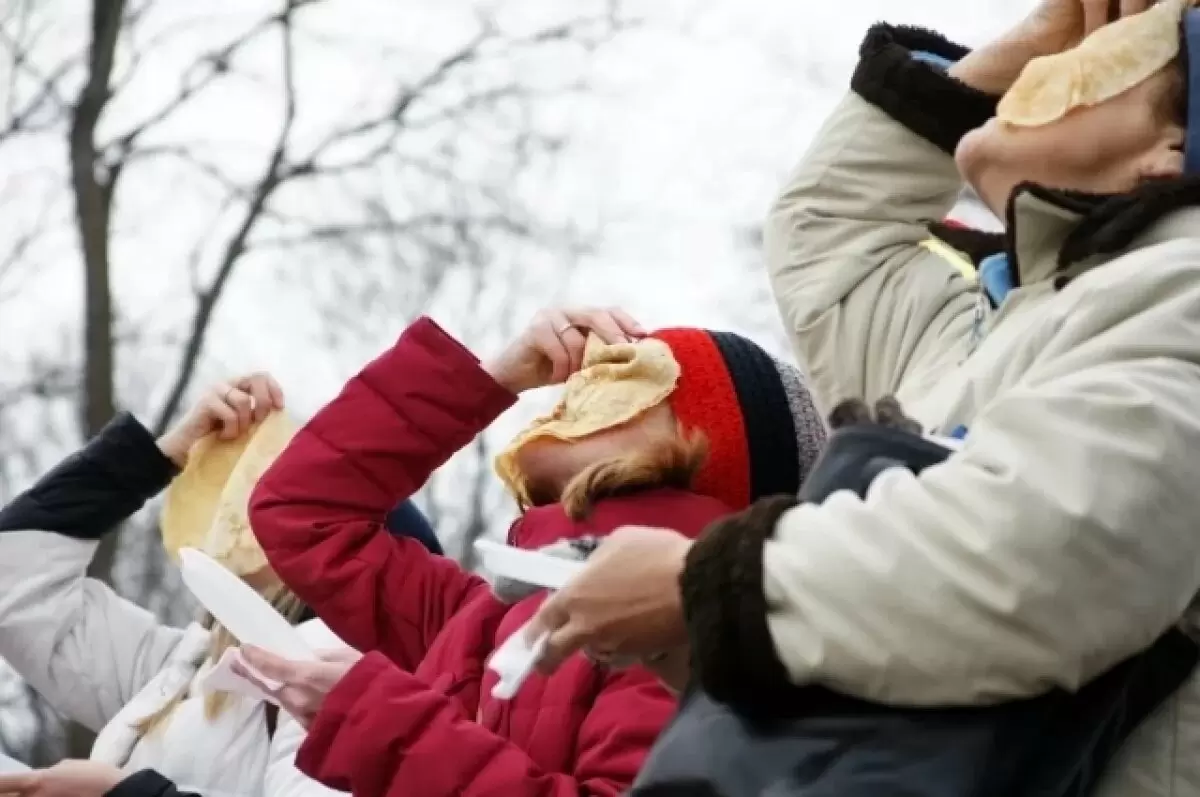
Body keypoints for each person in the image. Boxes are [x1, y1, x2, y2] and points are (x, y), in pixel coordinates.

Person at [525, 0, 1200, 794]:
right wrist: (1027, 45)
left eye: (1101, 65)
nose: (1039, 74)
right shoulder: (1000, 318)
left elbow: (1049, 555)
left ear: (1169, 152)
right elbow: (828, 236)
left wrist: (702, 584)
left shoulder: (1179, 288)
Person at [233, 307, 827, 797]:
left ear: (712, 447)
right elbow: (303, 514)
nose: (584, 377)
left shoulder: (682, 636)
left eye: (628, 371)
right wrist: (491, 378)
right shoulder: (477, 616)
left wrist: (380, 726)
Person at [0, 375, 440, 797]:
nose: (242, 512)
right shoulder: (180, 669)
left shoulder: (335, 675)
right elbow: (14, 585)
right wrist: (162, 454)